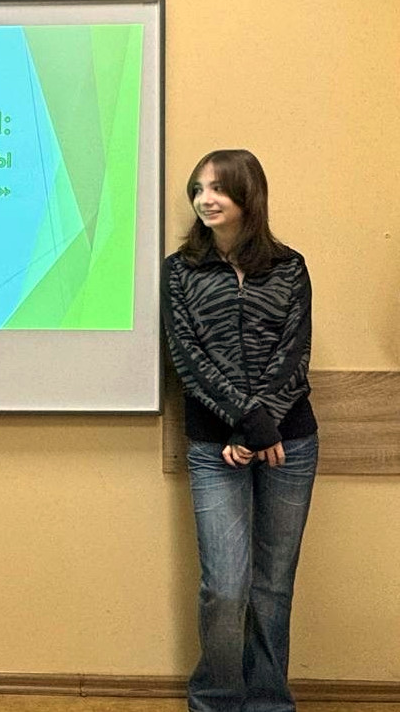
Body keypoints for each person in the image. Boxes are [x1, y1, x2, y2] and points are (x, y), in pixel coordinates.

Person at [161, 149, 318, 712]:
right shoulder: (179, 271)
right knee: (225, 587)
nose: (205, 200)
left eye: (218, 188)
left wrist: (260, 429)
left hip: (289, 443)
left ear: (249, 195)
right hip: (215, 445)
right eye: (198, 189)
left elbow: (294, 353)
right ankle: (216, 700)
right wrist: (247, 425)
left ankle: (270, 702)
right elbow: (187, 357)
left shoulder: (290, 267)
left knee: (272, 586)